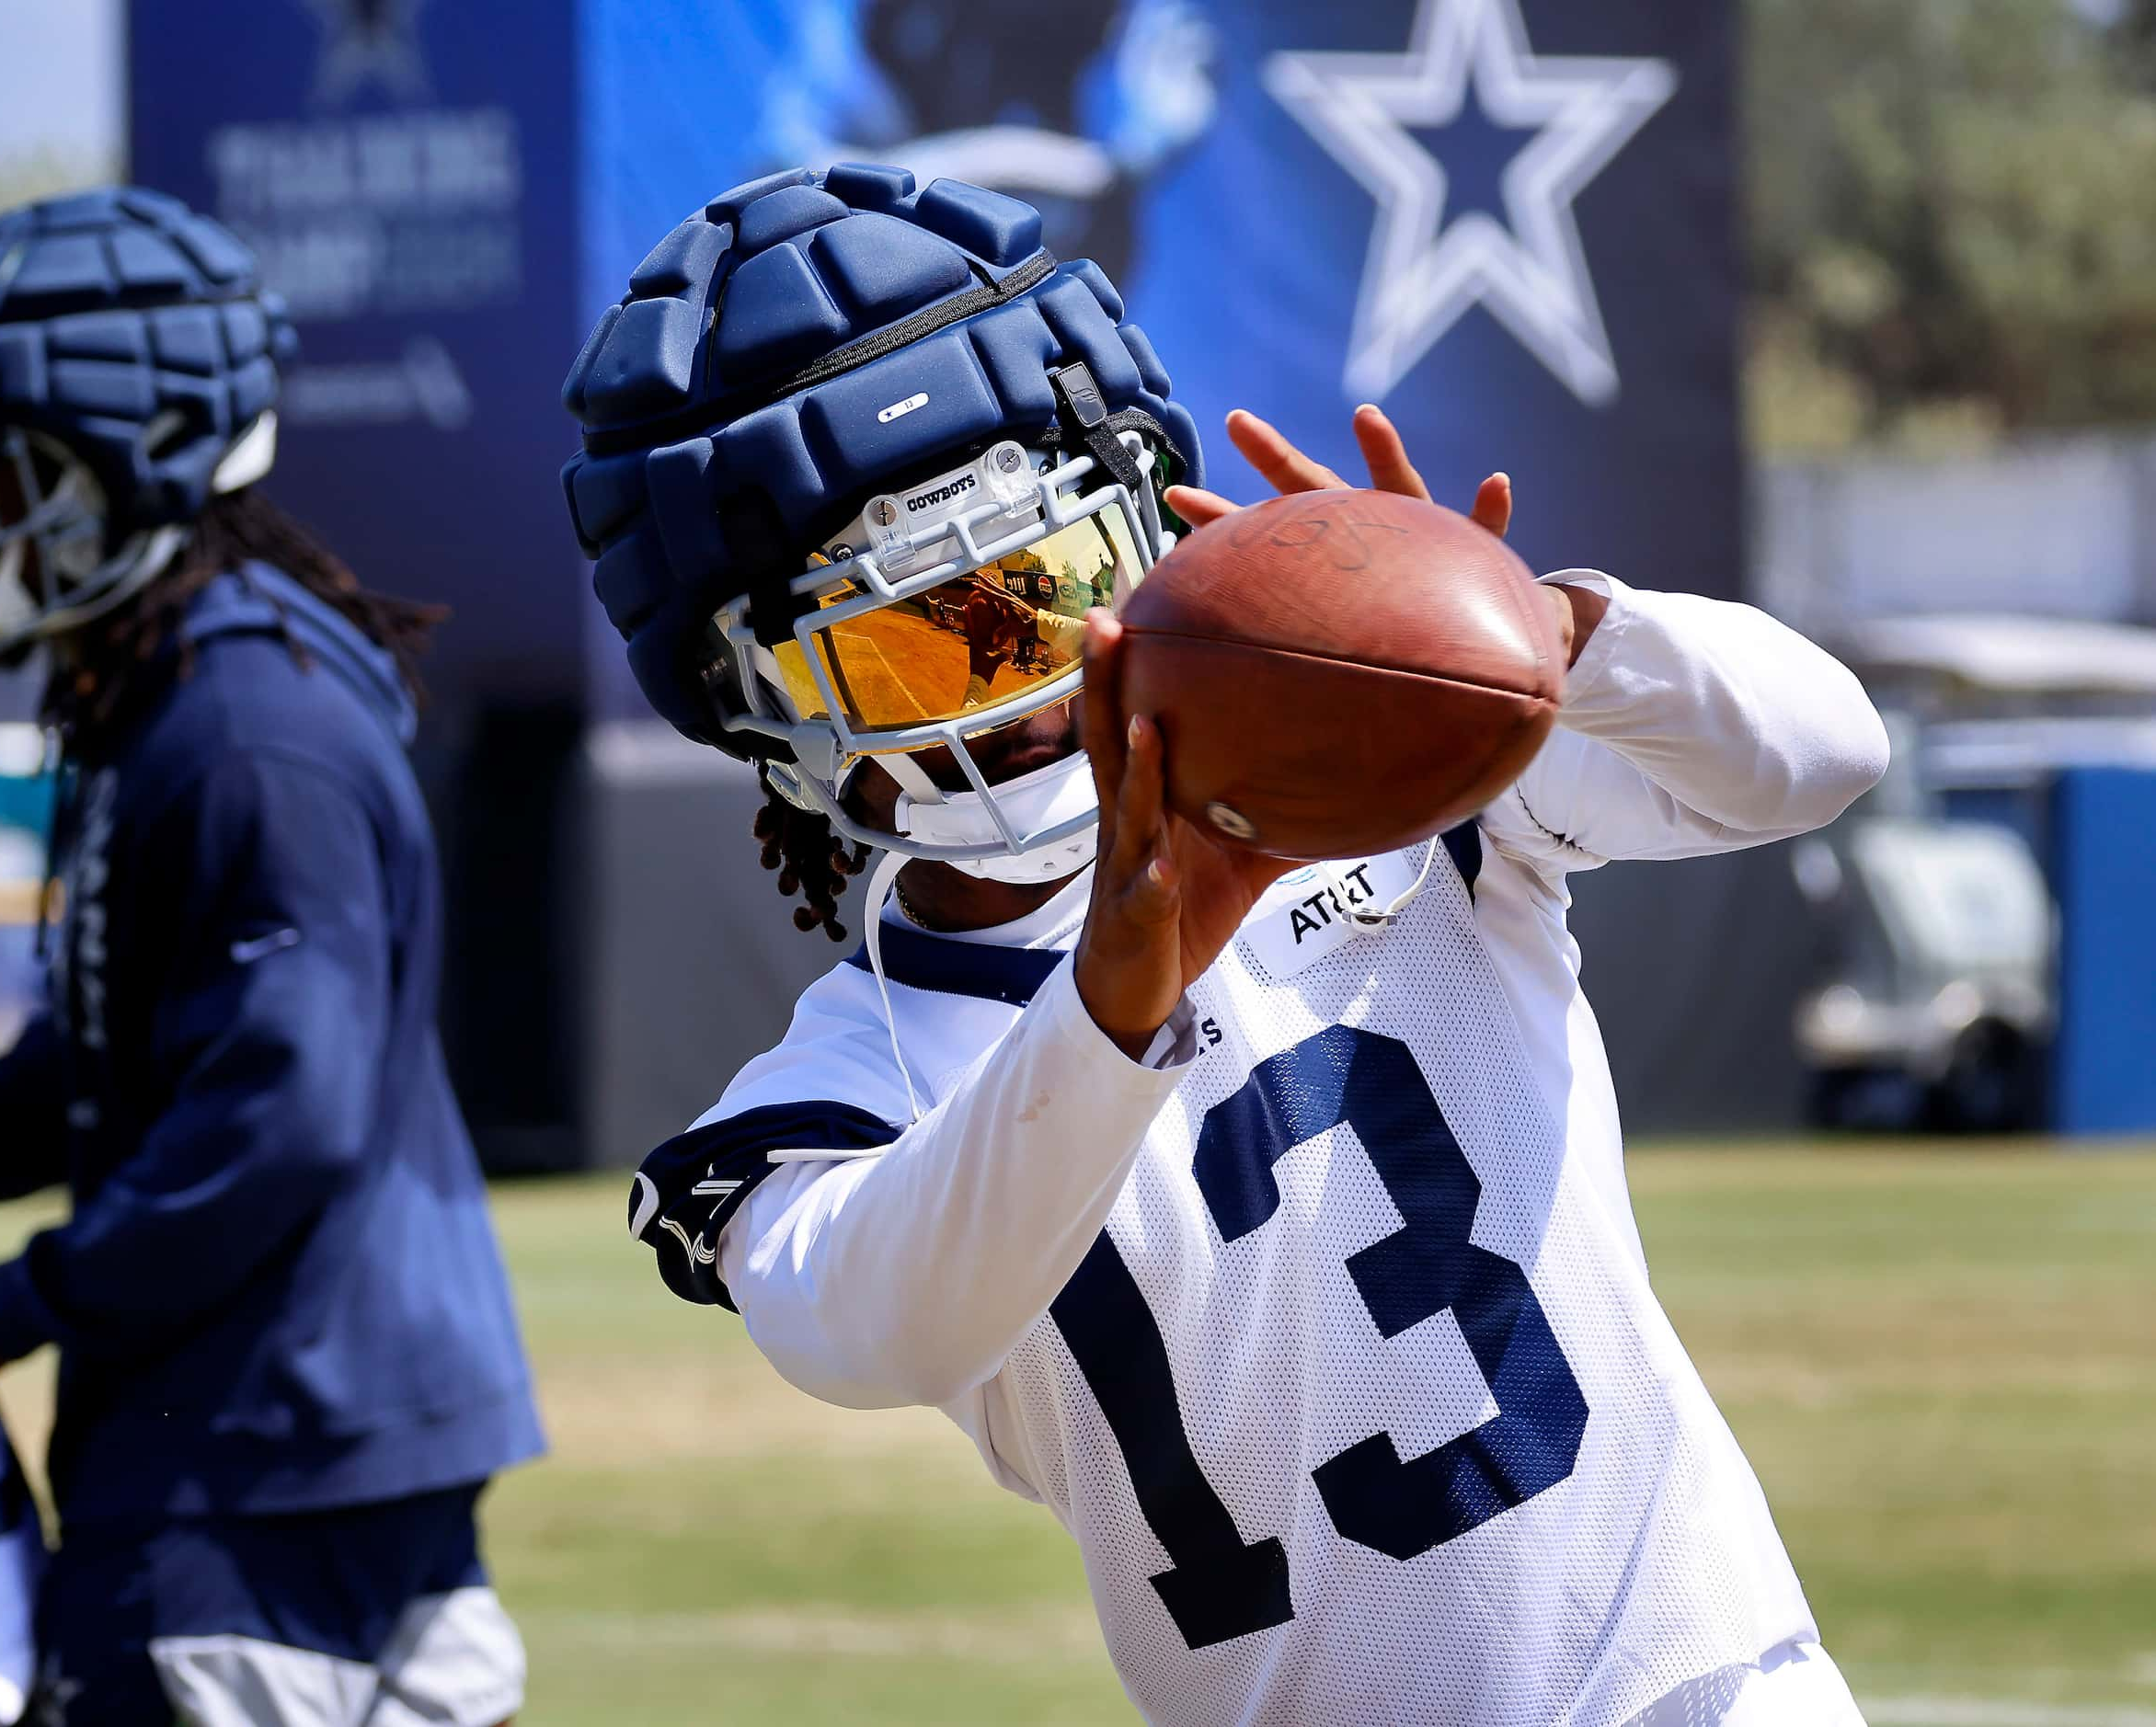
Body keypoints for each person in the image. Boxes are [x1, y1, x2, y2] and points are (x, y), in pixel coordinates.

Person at [567, 164, 1888, 1725]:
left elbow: (1822, 751)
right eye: (921, 642)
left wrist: (1545, 640)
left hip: (1702, 1689)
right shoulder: (830, 1092)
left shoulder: (1372, 772)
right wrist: (1112, 1004)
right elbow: (884, 1318)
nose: (1027, 683)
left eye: (1047, 592)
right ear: (779, 713)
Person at [0, 187, 540, 1727]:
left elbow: (278, 1115)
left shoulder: (250, 726)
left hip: (258, 1466)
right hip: (277, 1444)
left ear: (118, 466)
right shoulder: (165, 689)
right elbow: (143, 1039)